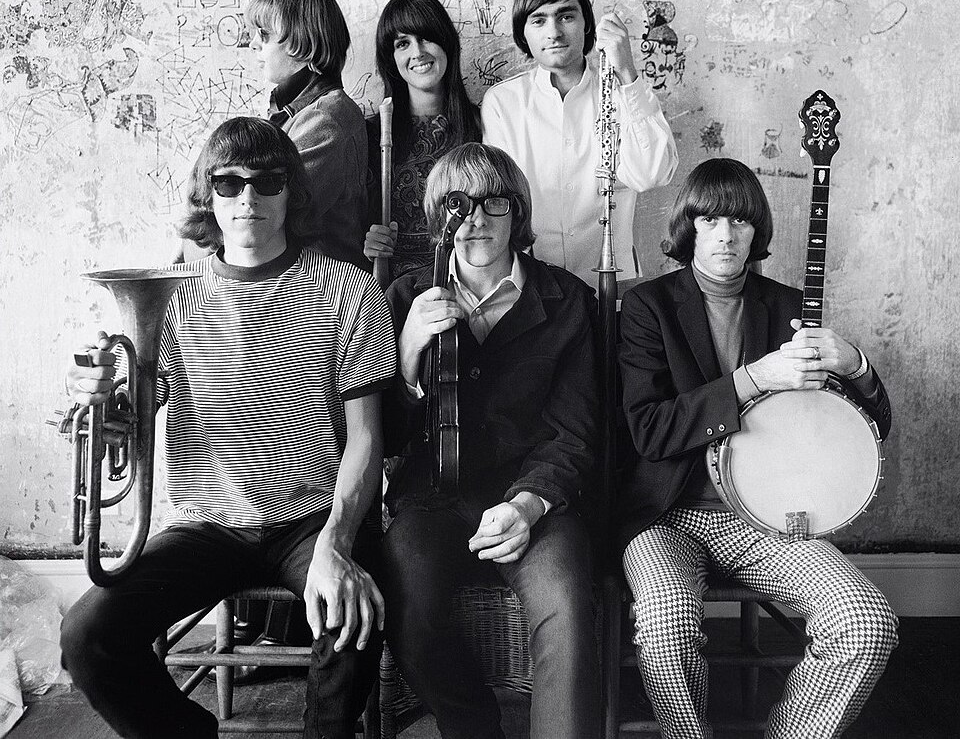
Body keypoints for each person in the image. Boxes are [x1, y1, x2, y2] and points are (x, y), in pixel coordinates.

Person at [59, 117, 397, 739]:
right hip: (206, 525)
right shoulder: (171, 294)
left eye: (268, 182)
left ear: (291, 192)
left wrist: (337, 542)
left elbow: (366, 438)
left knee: (354, 622)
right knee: (86, 637)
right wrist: (97, 402)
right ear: (207, 196)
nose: (248, 197)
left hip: (312, 519)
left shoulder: (352, 289)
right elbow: (132, 425)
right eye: (229, 182)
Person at [616, 158, 898, 739]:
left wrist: (855, 365)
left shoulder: (791, 306)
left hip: (766, 519)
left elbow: (868, 430)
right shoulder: (647, 307)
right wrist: (755, 378)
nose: (726, 234)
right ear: (689, 226)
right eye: (711, 219)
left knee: (866, 622)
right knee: (667, 623)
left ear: (756, 231)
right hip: (666, 514)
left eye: (740, 221)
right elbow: (649, 430)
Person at [380, 143, 601, 739]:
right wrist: (407, 354)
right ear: (439, 216)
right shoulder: (401, 298)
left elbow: (576, 432)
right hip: (432, 500)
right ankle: (474, 727)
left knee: (567, 612)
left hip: (537, 500)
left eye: (494, 203)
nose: (476, 219)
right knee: (408, 609)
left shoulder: (568, 299)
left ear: (516, 213)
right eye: (459, 204)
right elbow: (384, 437)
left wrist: (528, 505)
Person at [481, 0, 678, 287]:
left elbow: (651, 174)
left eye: (566, 16)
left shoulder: (623, 93)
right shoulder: (503, 103)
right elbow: (501, 202)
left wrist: (627, 72)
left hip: (612, 285)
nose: (554, 32)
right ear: (523, 33)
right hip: (532, 288)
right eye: (539, 20)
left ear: (587, 24)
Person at [246, 0, 368, 268]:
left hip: (320, 287)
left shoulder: (326, 119)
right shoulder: (297, 113)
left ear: (303, 43)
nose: (253, 44)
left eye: (264, 35)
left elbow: (263, 216)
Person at [364, 0, 482, 282]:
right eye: (403, 43)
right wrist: (368, 243)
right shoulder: (370, 135)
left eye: (426, 37)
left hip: (469, 285)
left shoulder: (484, 124)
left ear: (447, 44)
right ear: (391, 59)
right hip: (393, 292)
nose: (417, 52)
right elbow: (351, 226)